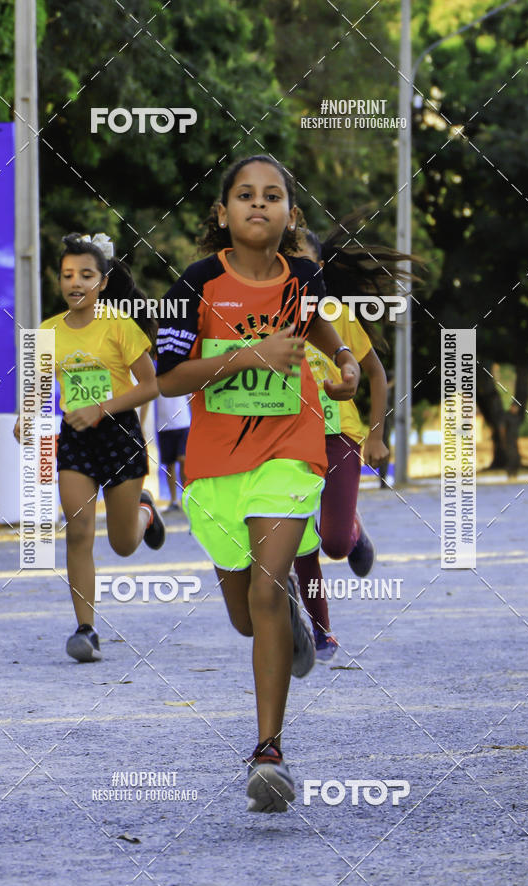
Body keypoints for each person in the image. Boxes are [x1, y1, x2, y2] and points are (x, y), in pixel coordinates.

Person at [156, 155, 361, 813]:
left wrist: (346, 358)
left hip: (288, 451)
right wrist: (251, 355)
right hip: (216, 465)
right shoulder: (195, 285)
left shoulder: (303, 277)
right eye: (244, 195)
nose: (258, 204)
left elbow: (315, 326)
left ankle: (268, 751)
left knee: (270, 589)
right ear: (222, 214)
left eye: (273, 196)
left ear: (290, 217)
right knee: (248, 617)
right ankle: (288, 626)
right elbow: (170, 378)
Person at [14, 233, 165, 662]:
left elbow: (151, 386)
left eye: (85, 275)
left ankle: (144, 512)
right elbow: (42, 384)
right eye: (67, 275)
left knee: (122, 544)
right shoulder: (48, 331)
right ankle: (86, 630)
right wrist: (28, 414)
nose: (74, 282)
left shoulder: (119, 325)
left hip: (118, 436)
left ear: (102, 282)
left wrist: (101, 408)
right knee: (78, 532)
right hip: (76, 439)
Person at [292, 224, 391, 662]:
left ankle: (352, 528)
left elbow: (376, 374)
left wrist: (376, 435)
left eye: (303, 260)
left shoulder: (339, 314)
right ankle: (320, 632)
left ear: (319, 268)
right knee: (299, 539)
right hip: (286, 439)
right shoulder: (267, 313)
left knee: (332, 543)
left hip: (339, 437)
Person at [154, 393, 191, 511]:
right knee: (169, 465)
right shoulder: (156, 377)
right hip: (164, 426)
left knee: (183, 459)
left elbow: (190, 397)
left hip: (183, 423)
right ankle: (174, 500)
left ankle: (186, 496)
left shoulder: (183, 375)